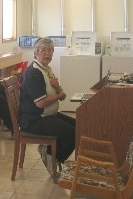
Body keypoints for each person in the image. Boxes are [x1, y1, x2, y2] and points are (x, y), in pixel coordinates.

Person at [19, 37, 76, 176]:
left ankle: (50, 152)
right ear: (36, 52)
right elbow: (41, 103)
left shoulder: (46, 69)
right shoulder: (33, 72)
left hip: (48, 115)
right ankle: (51, 156)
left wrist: (57, 87)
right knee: (72, 133)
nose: (47, 53)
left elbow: (61, 92)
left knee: (78, 126)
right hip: (34, 119)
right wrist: (59, 96)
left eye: (50, 50)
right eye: (43, 50)